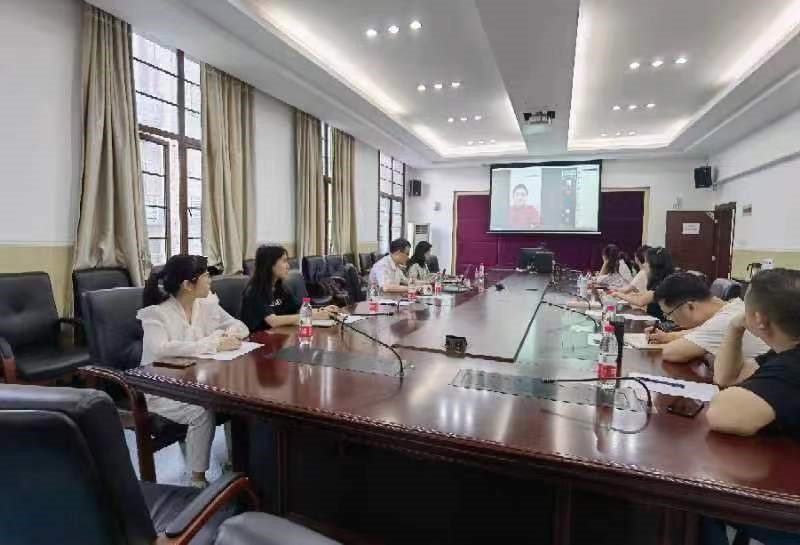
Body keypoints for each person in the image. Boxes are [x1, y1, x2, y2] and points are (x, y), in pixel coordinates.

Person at [701, 269, 800, 545]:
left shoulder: (792, 366)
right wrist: (735, 328)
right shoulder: (784, 352)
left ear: (759, 319)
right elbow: (726, 377)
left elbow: (723, 415)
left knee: (698, 505)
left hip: (790, 513)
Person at [137, 254, 249, 487]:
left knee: (235, 399)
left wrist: (228, 335)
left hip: (196, 380)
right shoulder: (157, 314)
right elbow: (161, 349)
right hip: (162, 388)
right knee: (201, 410)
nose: (210, 281)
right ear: (188, 285)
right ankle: (197, 479)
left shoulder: (206, 305)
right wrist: (213, 343)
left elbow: (240, 326)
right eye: (206, 276)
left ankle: (237, 462)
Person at [646, 272, 769, 362]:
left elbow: (670, 352)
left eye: (669, 314)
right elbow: (699, 331)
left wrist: (652, 346)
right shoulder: (733, 305)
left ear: (690, 307)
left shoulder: (723, 322)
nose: (670, 320)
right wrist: (667, 337)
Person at [240, 245, 338, 332]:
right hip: (259, 341)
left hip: (279, 336)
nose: (288, 266)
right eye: (284, 261)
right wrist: (312, 316)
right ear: (270, 265)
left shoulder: (280, 288)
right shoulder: (254, 291)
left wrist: (322, 310)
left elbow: (299, 310)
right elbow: (273, 321)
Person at [611, 246, 674, 320]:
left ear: (654, 265)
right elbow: (646, 295)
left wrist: (618, 294)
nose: (644, 264)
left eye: (646, 262)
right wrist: (633, 295)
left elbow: (641, 301)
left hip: (660, 322)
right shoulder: (662, 280)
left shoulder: (663, 284)